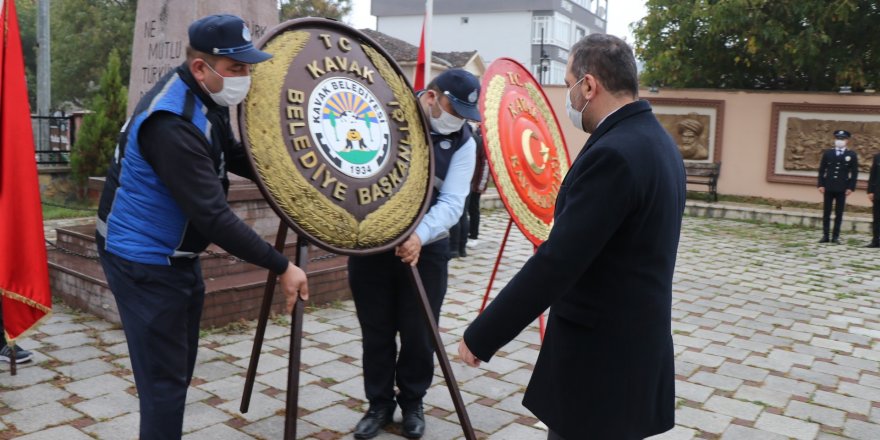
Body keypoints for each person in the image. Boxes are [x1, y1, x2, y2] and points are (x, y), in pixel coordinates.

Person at [457, 34, 684, 440]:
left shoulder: (614, 154)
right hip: (635, 352)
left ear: (590, 86)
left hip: (600, 363)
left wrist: (483, 334)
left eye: (569, 82)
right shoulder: (659, 143)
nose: (570, 98)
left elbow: (558, 261)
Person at [95, 14, 309, 440]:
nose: (245, 78)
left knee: (176, 371)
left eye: (248, 67)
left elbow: (229, 153)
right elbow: (213, 217)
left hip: (175, 258)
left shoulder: (205, 100)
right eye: (236, 69)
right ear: (200, 67)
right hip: (144, 261)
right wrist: (281, 266)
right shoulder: (171, 124)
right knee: (164, 386)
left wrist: (292, 180)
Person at [347, 68, 479, 439]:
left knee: (420, 333)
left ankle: (412, 402)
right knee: (376, 331)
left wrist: (419, 235)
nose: (461, 121)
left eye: (468, 115)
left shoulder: (465, 142)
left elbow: (454, 203)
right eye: (457, 111)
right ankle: (378, 404)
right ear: (434, 98)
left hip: (426, 250)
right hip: (371, 244)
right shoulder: (388, 114)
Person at [817, 129, 859, 244]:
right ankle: (825, 236)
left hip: (842, 188)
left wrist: (851, 187)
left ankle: (835, 236)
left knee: (839, 213)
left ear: (847, 141)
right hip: (828, 187)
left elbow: (854, 173)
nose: (840, 141)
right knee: (827, 212)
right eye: (838, 139)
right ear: (835, 140)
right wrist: (820, 184)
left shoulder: (851, 155)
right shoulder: (828, 153)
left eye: (842, 139)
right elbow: (821, 170)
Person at [466, 125, 490, 248]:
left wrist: (481, 185)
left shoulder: (481, 141)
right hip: (467, 181)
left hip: (475, 183)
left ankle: (473, 235)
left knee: (473, 209)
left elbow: (485, 164)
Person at [867, 151, 880, 248]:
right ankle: (875, 240)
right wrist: (870, 191)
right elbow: (873, 175)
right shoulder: (877, 157)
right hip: (878, 193)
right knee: (876, 218)